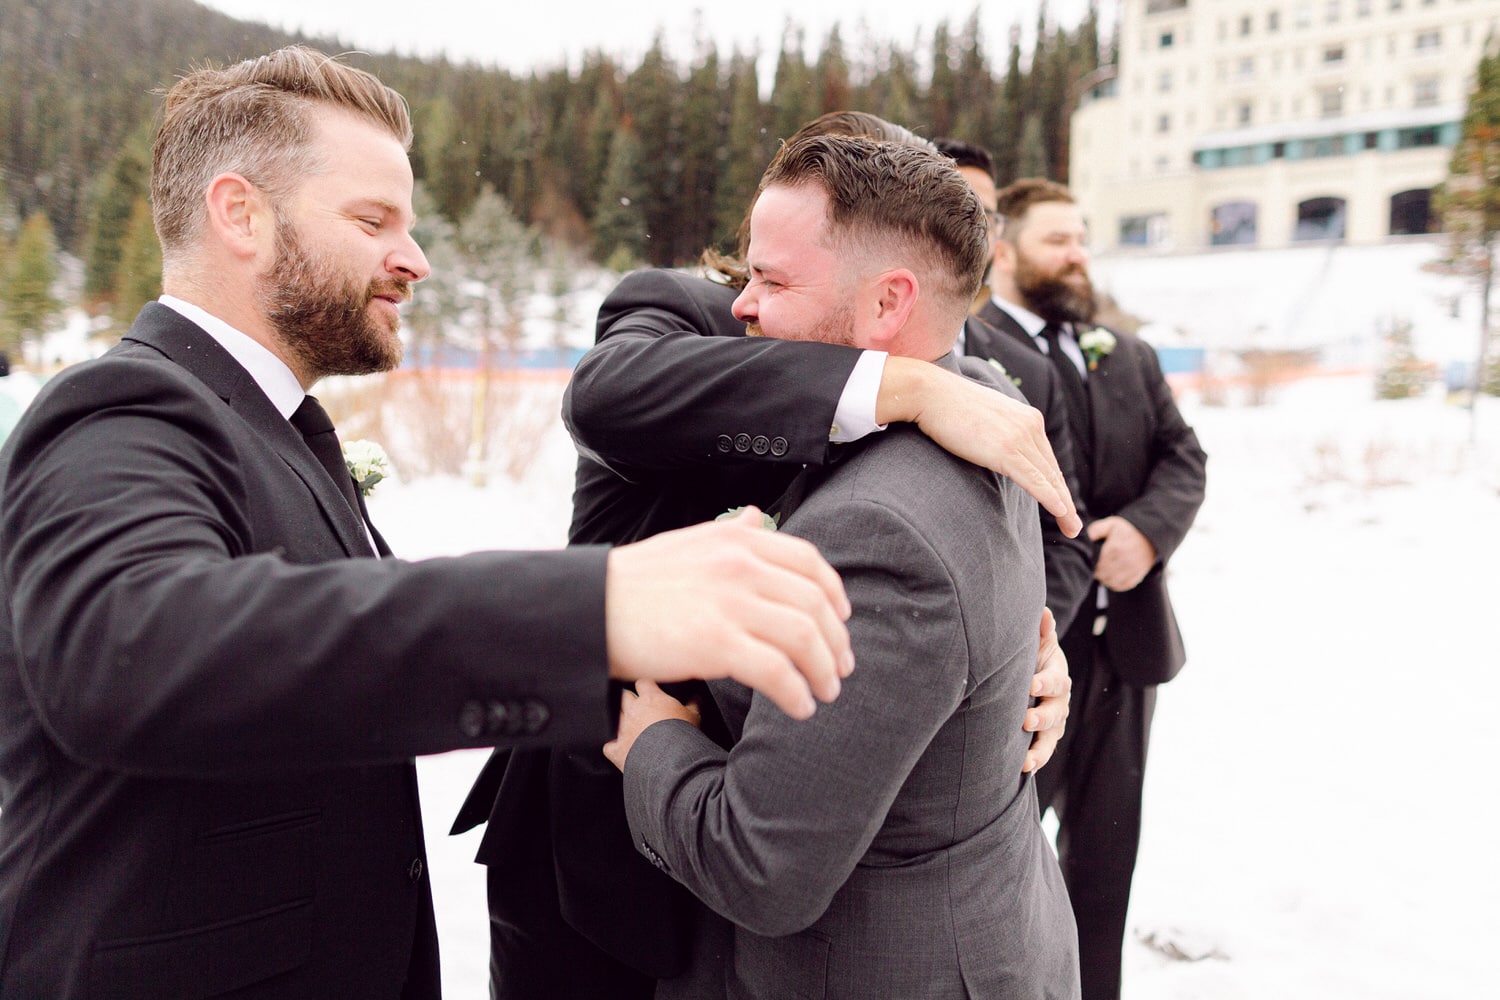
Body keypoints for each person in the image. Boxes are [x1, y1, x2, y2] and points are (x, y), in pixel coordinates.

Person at [0, 47, 857, 1000]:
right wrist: (599, 608)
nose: (416, 259)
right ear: (239, 213)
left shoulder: (274, 426)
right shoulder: (123, 407)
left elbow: (321, 673)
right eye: (373, 221)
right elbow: (132, 647)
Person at [455, 110, 1080, 1000]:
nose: (750, 298)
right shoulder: (690, 314)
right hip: (594, 851)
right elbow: (604, 397)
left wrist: (1022, 656)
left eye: (774, 276)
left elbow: (965, 568)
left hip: (781, 867)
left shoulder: (979, 391)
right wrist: (887, 383)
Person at [979, 176, 1208, 1000]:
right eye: (1057, 240)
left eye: (1082, 238)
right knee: (998, 865)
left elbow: (1185, 458)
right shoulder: (975, 352)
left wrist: (1147, 534)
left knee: (1106, 866)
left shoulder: (1127, 352)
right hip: (1031, 661)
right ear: (1002, 252)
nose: (1078, 255)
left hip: (1131, 651)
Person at [935, 136, 1093, 632]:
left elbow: (1063, 531)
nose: (975, 229)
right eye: (956, 207)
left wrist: (1026, 648)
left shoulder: (1028, 369)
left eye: (987, 215)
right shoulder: (850, 344)